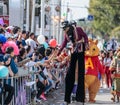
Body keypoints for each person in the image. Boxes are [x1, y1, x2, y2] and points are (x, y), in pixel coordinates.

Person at [58, 21, 89, 105]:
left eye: (65, 28)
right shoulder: (66, 34)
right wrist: (59, 51)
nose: (64, 30)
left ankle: (80, 99)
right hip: (73, 52)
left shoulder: (78, 29)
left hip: (80, 50)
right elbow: (64, 43)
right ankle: (67, 99)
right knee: (69, 75)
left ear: (68, 26)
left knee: (81, 75)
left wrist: (86, 43)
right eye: (63, 29)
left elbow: (85, 36)